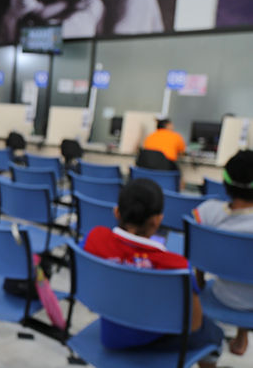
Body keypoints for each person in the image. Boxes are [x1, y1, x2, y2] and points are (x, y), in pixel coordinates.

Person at [83, 179, 223, 367]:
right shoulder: (176, 266)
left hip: (111, 334)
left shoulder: (94, 238)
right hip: (152, 340)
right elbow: (194, 325)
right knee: (212, 332)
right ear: (157, 220)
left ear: (116, 212)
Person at [193, 150, 253, 356]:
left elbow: (197, 255)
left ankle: (234, 337)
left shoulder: (206, 211)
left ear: (225, 182)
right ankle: (242, 333)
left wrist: (199, 283)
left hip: (222, 295)